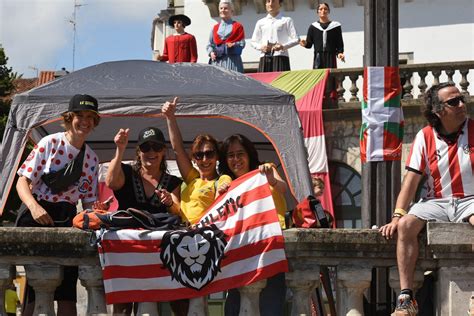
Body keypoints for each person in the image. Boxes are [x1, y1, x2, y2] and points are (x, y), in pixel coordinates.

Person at [379, 83, 474, 316]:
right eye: (454, 102)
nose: (462, 105)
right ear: (437, 110)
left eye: (462, 99)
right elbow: (410, 181)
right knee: (406, 226)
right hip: (438, 201)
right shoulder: (425, 136)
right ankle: (406, 298)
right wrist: (397, 215)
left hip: (472, 198)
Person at [16, 94, 102, 316]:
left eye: (90, 117)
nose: (85, 121)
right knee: (35, 290)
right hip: (37, 215)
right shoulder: (50, 143)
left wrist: (97, 215)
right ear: (69, 117)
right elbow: (22, 181)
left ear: (95, 122)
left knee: (67, 291)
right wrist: (34, 207)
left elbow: (89, 203)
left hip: (68, 218)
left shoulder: (92, 159)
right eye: (80, 115)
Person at [105, 126, 185, 316]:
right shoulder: (126, 171)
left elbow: (177, 210)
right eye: (146, 147)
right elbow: (110, 182)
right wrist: (120, 148)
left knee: (179, 300)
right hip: (127, 250)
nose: (151, 152)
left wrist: (168, 203)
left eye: (156, 147)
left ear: (163, 151)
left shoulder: (172, 182)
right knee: (123, 307)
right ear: (139, 151)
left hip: (160, 253)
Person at [218, 134, 288, 316]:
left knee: (271, 304)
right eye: (231, 155)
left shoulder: (266, 170)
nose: (236, 159)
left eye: (240, 153)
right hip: (241, 252)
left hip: (271, 245)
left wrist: (271, 178)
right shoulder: (227, 180)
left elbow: (282, 188)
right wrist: (222, 189)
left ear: (249, 154)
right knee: (236, 305)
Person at [162, 97, 232, 225]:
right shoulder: (192, 179)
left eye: (209, 153)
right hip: (183, 231)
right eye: (199, 155)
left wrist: (223, 191)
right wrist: (170, 117)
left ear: (217, 156)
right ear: (194, 159)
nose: (205, 159)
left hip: (204, 234)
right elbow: (177, 149)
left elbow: (222, 202)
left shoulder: (222, 179)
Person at [250, 0, 299, 72]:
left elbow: (296, 39)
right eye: (268, 1)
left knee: (281, 82)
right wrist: (261, 47)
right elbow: (253, 41)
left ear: (279, 4)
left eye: (273, 1)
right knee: (264, 81)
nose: (270, 4)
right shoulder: (260, 22)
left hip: (281, 56)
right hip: (264, 57)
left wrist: (282, 46)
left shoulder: (287, 20)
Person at [300, 2, 344, 69]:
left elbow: (339, 42)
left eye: (325, 9)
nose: (323, 11)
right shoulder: (313, 27)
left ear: (328, 11)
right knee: (319, 77)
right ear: (317, 12)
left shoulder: (335, 26)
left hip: (330, 56)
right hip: (318, 57)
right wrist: (304, 43)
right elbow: (309, 44)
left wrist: (340, 53)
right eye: (320, 9)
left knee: (330, 77)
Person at [206, 0, 246, 73]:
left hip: (233, 61)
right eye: (221, 8)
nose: (223, 10)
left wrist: (234, 44)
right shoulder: (215, 28)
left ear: (232, 11)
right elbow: (209, 45)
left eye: (226, 8)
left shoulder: (238, 26)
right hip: (217, 62)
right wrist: (211, 52)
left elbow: (242, 43)